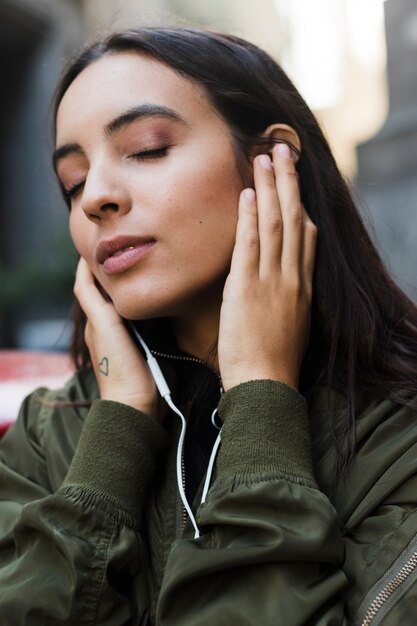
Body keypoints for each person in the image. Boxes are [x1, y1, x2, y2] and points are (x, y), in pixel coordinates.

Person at [1, 26, 417, 626]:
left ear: (274, 162)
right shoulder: (46, 436)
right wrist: (114, 435)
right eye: (72, 181)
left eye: (145, 148)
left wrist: (261, 399)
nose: (94, 197)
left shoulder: (398, 443)